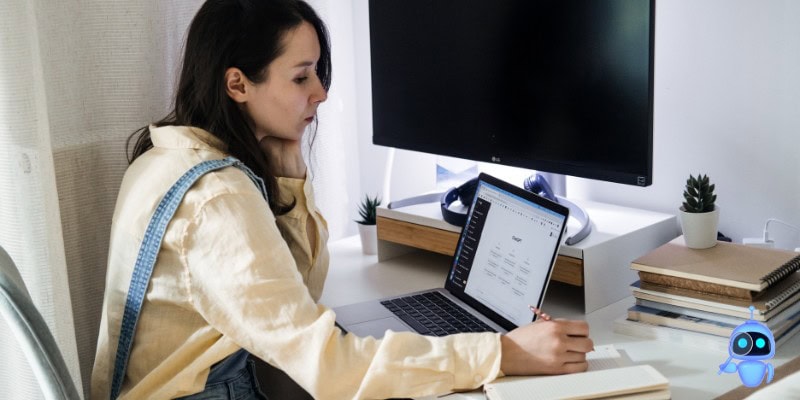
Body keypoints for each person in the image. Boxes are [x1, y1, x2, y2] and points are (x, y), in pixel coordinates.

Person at [91, 0, 594, 399]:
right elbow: (329, 371)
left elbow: (297, 298)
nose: (322, 93)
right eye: (301, 76)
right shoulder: (217, 199)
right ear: (238, 84)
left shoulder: (167, 155)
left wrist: (288, 174)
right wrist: (501, 353)